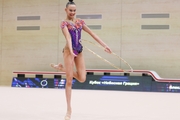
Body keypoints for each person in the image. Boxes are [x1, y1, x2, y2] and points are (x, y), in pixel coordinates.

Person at [51, 0, 112, 119]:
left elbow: (92, 33)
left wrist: (104, 45)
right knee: (69, 81)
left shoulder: (80, 22)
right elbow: (68, 38)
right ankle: (69, 109)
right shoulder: (64, 23)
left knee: (82, 78)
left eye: (74, 10)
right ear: (66, 10)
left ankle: (62, 68)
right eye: (70, 10)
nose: (72, 12)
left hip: (79, 51)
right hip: (69, 52)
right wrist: (71, 50)